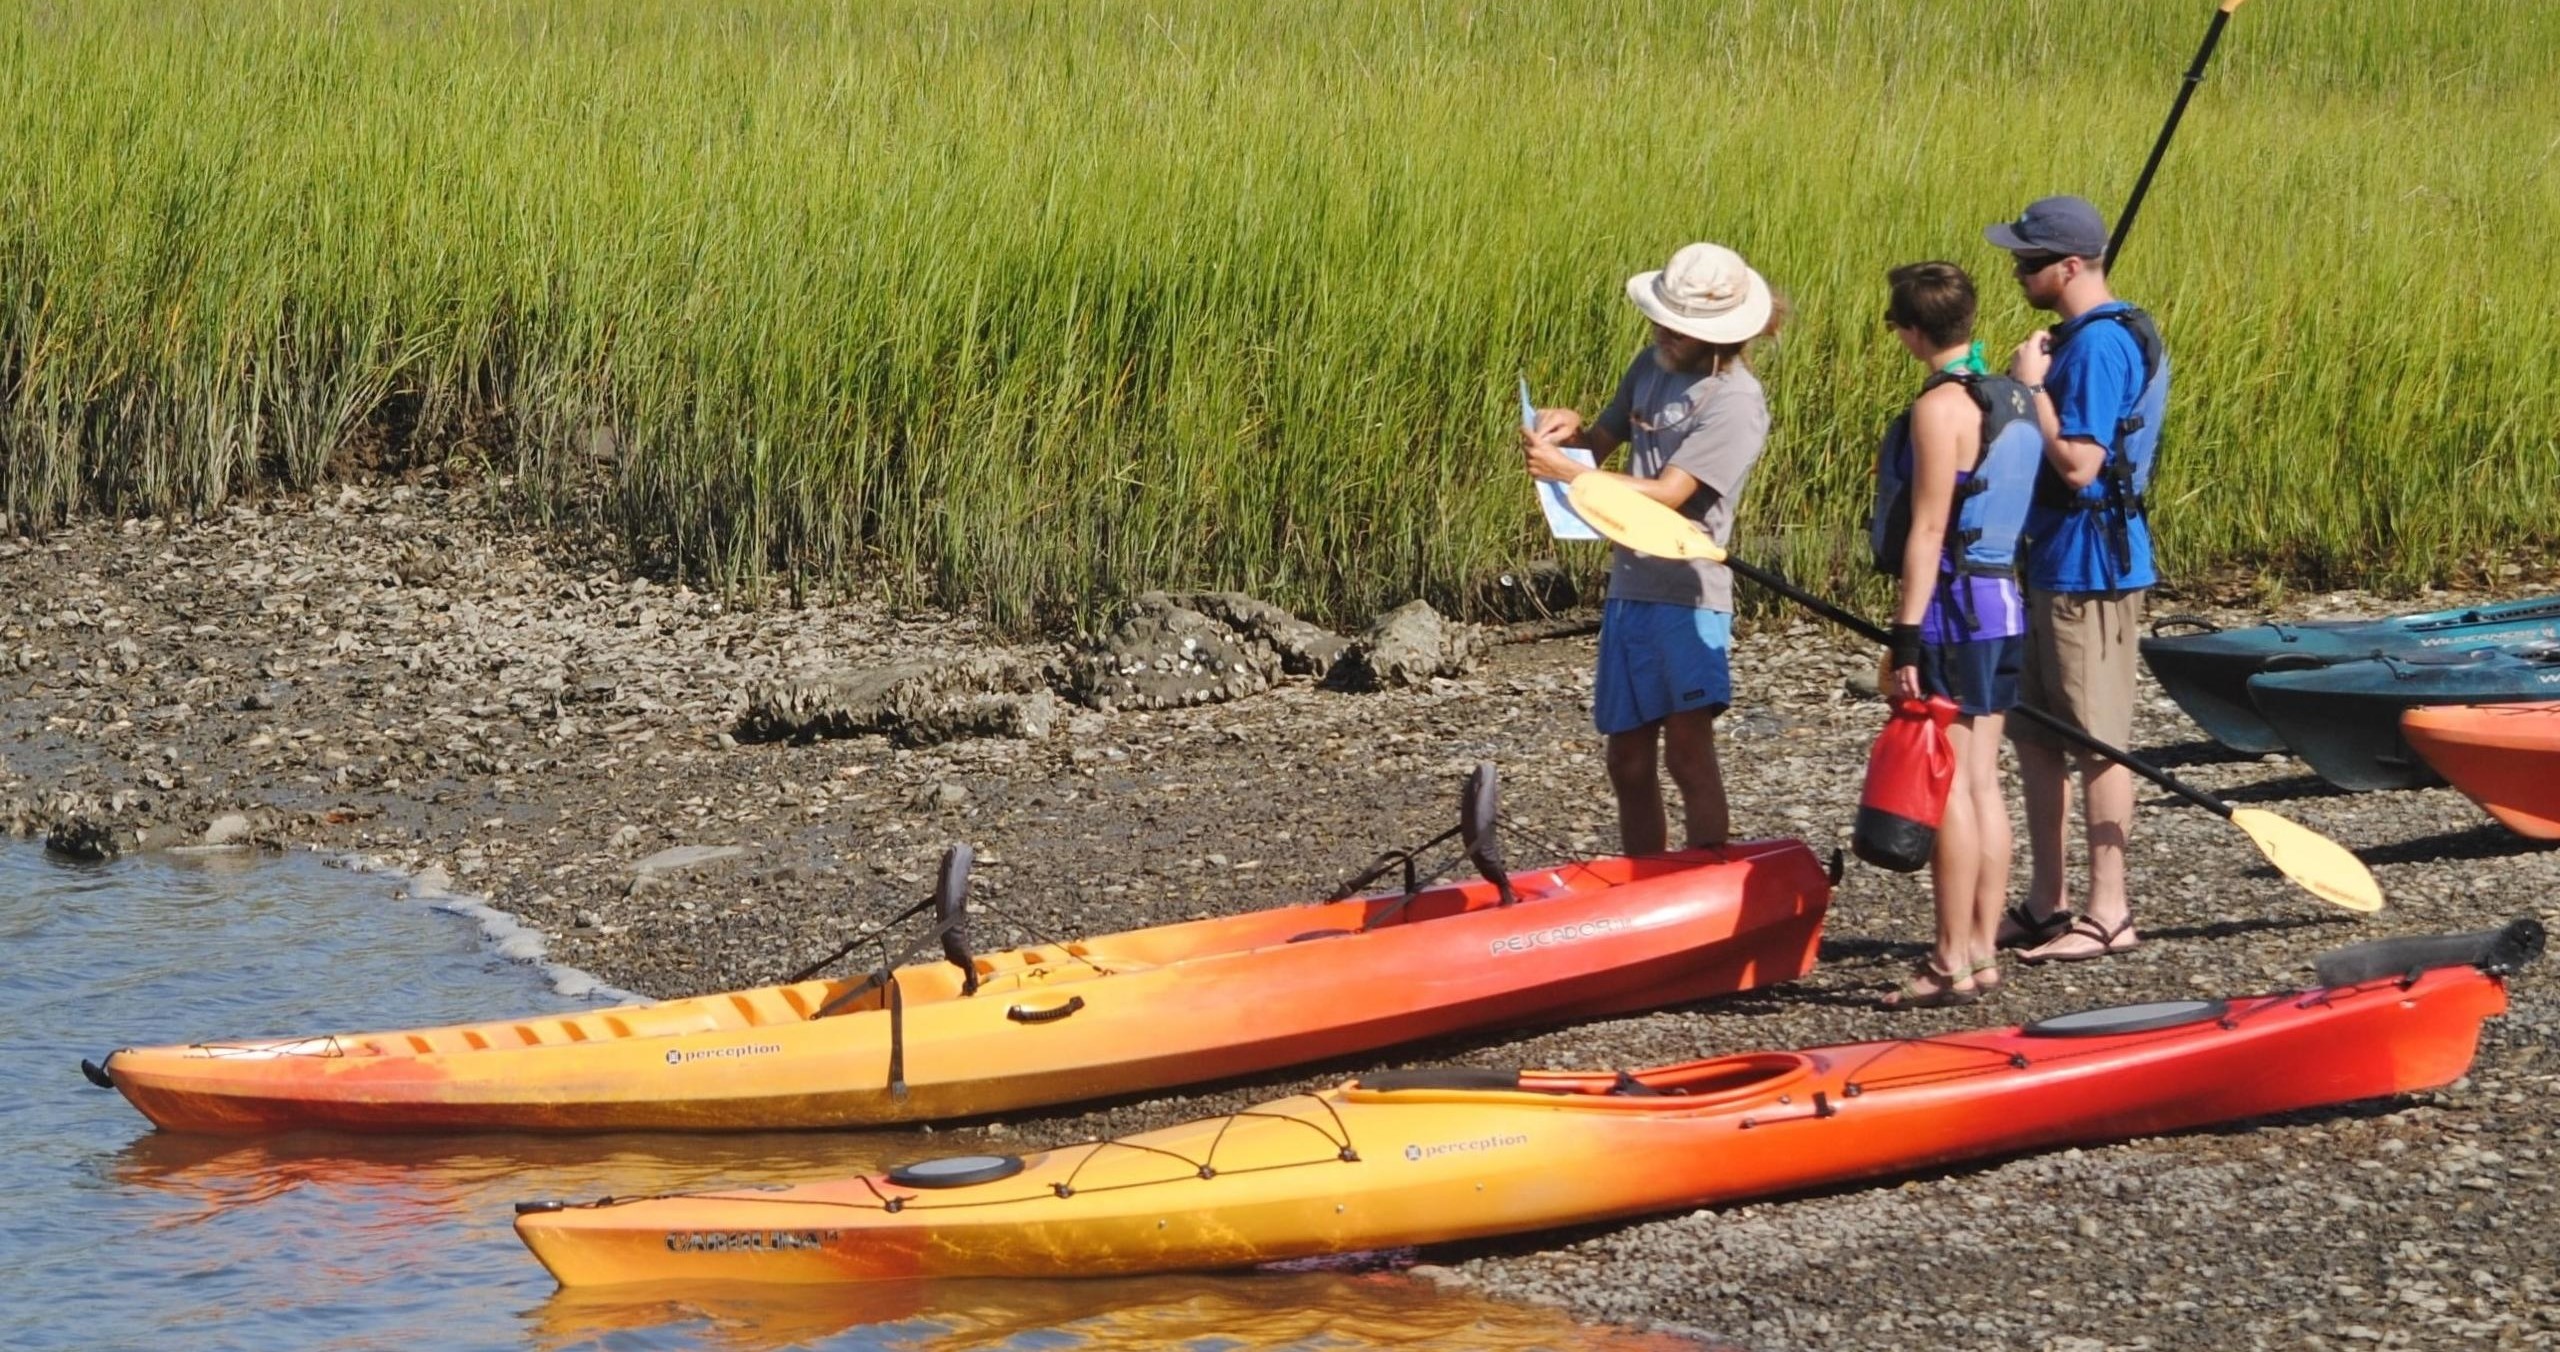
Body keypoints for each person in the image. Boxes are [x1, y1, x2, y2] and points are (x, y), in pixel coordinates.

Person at [1522, 242, 1783, 855]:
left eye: (1677, 324)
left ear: (1715, 333)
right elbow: (1599, 445)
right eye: (1661, 317)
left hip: (1690, 595)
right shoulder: (1650, 365)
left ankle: (1704, 879)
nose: (1661, 330)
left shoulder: (1737, 403)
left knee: (1688, 755)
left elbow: (1669, 492)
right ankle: (1644, 880)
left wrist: (1568, 473)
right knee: (1628, 759)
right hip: (1631, 587)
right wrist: (1568, 431)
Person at [1983, 195, 2169, 963]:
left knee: (2097, 744)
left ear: (2069, 267)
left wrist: (2029, 391)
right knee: (2036, 738)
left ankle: (2110, 911)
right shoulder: (2086, 336)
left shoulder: (2097, 348)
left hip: (2092, 569)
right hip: (2051, 561)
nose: (2017, 272)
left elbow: (2081, 463)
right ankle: (2047, 902)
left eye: (2028, 262)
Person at [1867, 261, 2039, 1008]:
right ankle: (1981, 952)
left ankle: (1950, 959)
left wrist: (1905, 636)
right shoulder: (2017, 397)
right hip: (2005, 606)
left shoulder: (1941, 408)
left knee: (1948, 787)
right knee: (1980, 780)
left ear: (1910, 331)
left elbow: (1929, 525)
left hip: (1954, 613)